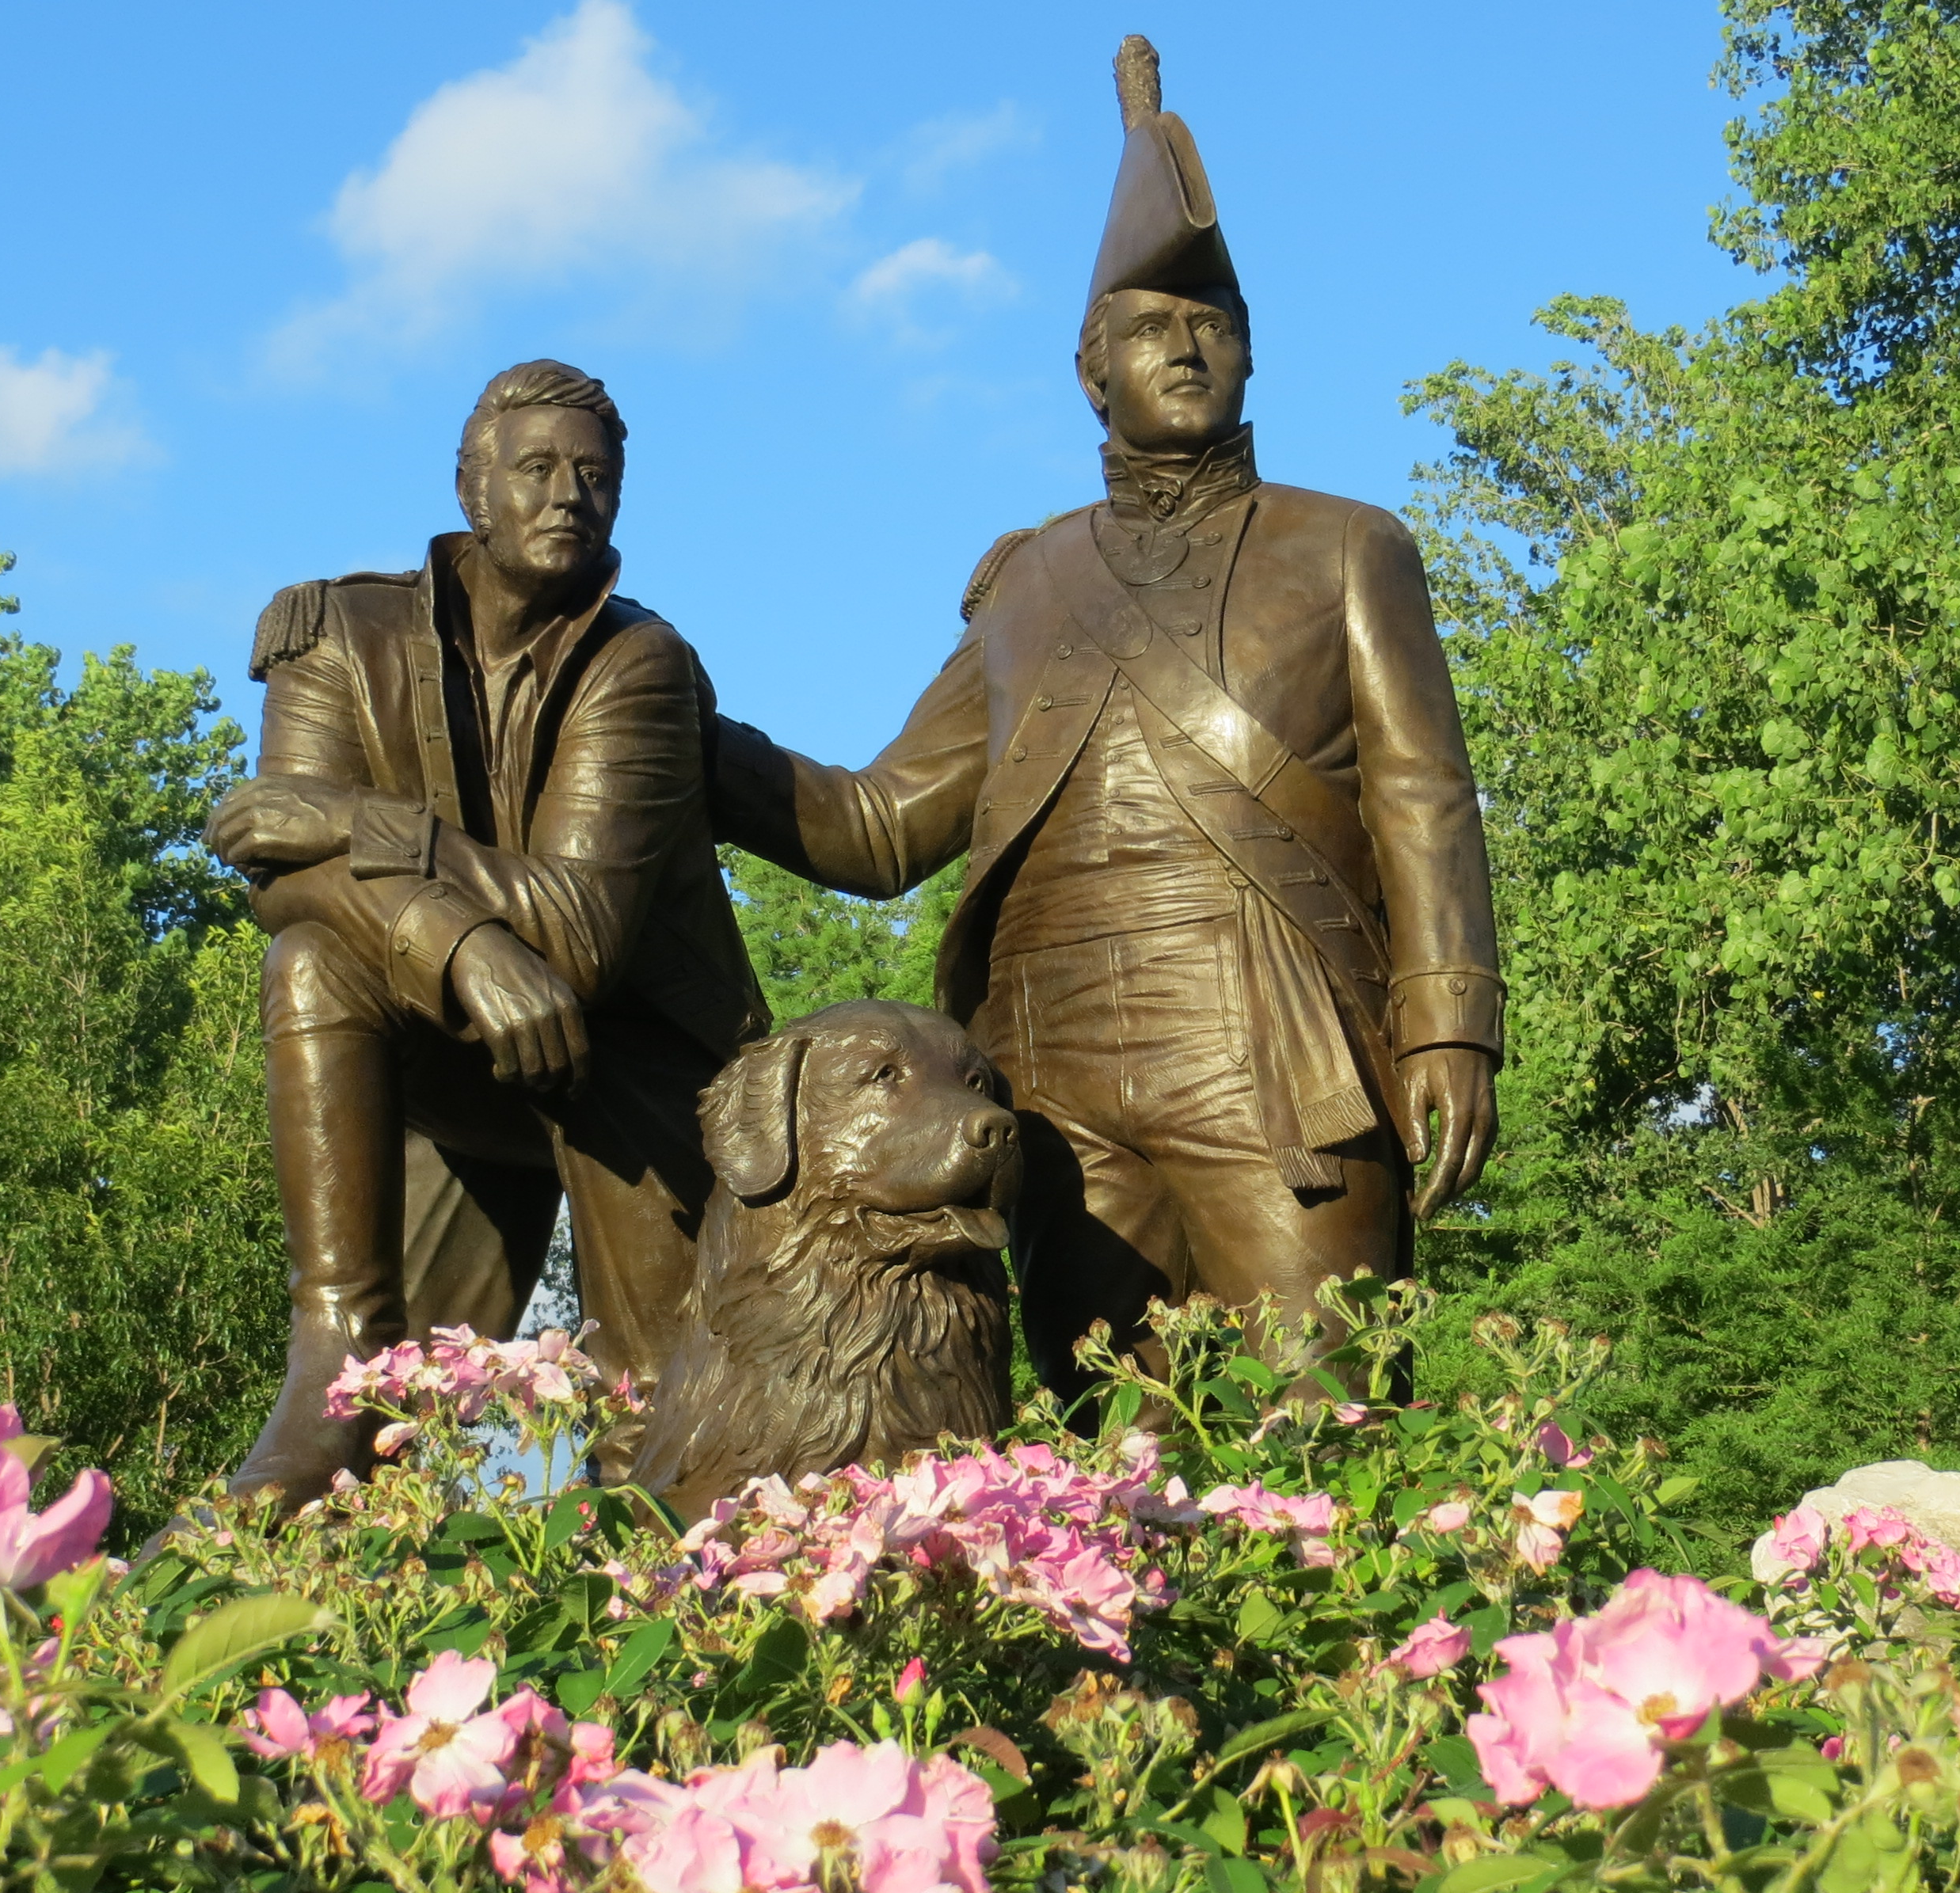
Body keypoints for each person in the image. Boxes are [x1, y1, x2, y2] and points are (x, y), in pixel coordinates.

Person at [706, 39, 1503, 1399]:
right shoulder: (1028, 585)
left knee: (1329, 1417)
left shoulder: (1347, 547)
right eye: (1149, 328)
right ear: (1092, 371)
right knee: (1103, 1463)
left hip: (1269, 1038)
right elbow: (883, 825)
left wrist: (1449, 1023)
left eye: (1213, 324)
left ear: (1250, 352)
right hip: (1053, 1071)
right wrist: (679, 729)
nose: (1185, 347)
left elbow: (1422, 792)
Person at [207, 359, 765, 1502]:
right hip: (448, 1056)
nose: (569, 496)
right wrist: (462, 945)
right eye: (537, 469)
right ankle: (337, 1345)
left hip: (630, 1062)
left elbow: (581, 936)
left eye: (595, 477)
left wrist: (364, 823)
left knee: (663, 1457)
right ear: (471, 488)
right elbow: (284, 879)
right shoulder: (334, 632)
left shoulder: (637, 660)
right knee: (309, 957)